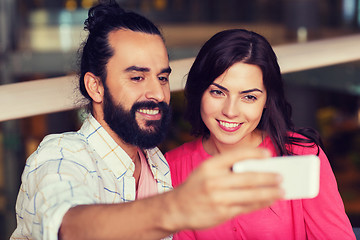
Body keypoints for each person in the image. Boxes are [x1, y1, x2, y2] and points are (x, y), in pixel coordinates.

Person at [10, 3, 284, 240]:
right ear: (96, 87)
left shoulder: (157, 164)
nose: (157, 93)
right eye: (137, 77)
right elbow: (67, 227)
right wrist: (174, 207)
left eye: (162, 78)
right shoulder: (61, 155)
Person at [165, 29, 356, 239]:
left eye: (249, 97)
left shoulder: (301, 156)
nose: (230, 111)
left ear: (266, 101)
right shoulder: (172, 167)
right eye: (218, 92)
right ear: (199, 91)